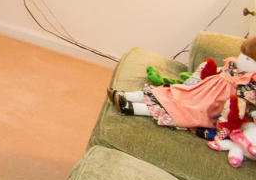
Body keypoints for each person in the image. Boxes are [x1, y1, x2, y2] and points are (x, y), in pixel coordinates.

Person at [107, 36, 256, 130]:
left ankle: (129, 107)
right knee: (168, 93)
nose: (241, 60)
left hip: (209, 106)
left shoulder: (250, 85)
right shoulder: (232, 65)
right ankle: (125, 95)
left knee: (178, 110)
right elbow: (216, 71)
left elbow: (244, 108)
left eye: (248, 59)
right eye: (242, 55)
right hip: (198, 92)